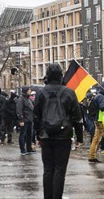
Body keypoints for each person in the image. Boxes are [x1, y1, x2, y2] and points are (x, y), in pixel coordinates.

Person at [34, 63, 84, 199]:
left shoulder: (40, 93)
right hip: (64, 136)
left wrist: (38, 135)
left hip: (46, 135)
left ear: (47, 76)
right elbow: (77, 117)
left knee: (48, 169)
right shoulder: (69, 92)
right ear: (61, 75)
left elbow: (36, 117)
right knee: (60, 170)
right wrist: (79, 138)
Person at [88, 84, 104, 163]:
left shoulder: (98, 96)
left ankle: (92, 155)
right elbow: (102, 107)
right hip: (101, 120)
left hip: (98, 120)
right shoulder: (101, 97)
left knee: (96, 138)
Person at [17, 86, 36, 155]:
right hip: (24, 121)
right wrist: (21, 120)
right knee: (22, 135)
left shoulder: (28, 99)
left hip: (30, 120)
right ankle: (23, 150)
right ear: (26, 91)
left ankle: (29, 149)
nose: (30, 91)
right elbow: (19, 110)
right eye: (29, 90)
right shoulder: (21, 99)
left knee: (29, 135)